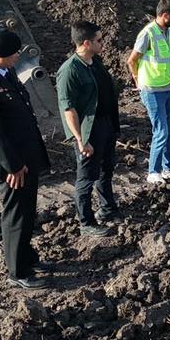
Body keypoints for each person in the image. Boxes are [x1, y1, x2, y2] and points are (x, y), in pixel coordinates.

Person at [0, 28, 51, 289]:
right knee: (16, 215)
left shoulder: (4, 72)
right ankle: (18, 271)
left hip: (26, 156)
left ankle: (27, 257)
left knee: (27, 211)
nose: (17, 56)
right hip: (12, 164)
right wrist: (13, 165)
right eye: (13, 53)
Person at [55, 21, 119, 238]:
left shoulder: (95, 62)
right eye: (99, 40)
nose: (103, 43)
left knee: (106, 169)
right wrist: (81, 139)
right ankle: (86, 221)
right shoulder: (69, 70)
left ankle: (108, 208)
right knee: (86, 177)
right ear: (86, 43)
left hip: (105, 125)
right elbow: (68, 108)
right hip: (88, 130)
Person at [128, 0, 170, 184]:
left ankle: (168, 168)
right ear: (165, 15)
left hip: (167, 88)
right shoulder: (147, 34)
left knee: (169, 129)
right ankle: (153, 171)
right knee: (161, 131)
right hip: (152, 90)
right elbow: (132, 60)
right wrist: (138, 80)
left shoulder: (169, 32)